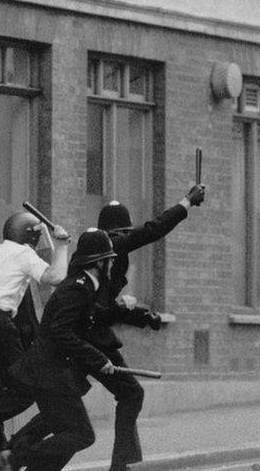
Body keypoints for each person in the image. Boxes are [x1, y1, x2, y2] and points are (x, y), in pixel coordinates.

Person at [0, 229, 119, 471]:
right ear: (99, 262)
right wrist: (98, 358)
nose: (112, 263)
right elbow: (61, 332)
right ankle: (10, 457)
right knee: (81, 435)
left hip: (51, 372)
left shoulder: (81, 286)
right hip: (52, 374)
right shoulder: (78, 288)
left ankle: (10, 454)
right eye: (110, 259)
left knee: (63, 433)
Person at [87, 184, 205, 470]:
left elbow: (105, 309)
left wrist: (142, 317)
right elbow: (154, 230)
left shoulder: (113, 259)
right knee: (130, 393)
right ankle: (123, 465)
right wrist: (187, 202)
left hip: (89, 334)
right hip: (83, 336)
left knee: (70, 401)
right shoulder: (111, 247)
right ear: (113, 235)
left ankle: (11, 452)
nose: (128, 238)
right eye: (124, 234)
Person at [0, 211, 70, 453]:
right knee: (28, 386)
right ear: (32, 236)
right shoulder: (23, 253)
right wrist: (61, 247)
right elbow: (55, 276)